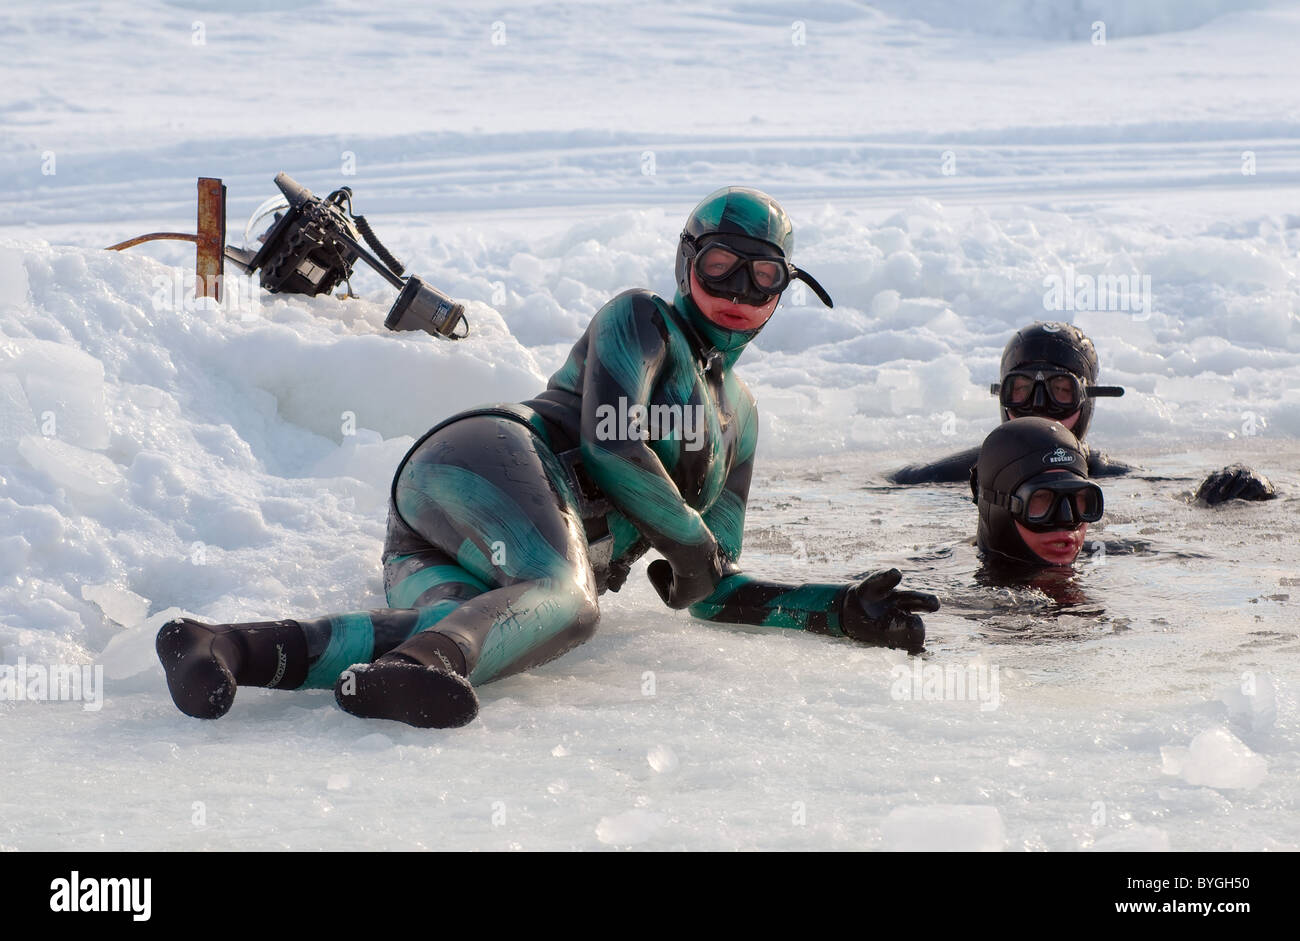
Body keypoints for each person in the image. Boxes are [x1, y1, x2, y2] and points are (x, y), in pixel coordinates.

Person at [156, 187, 940, 730]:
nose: (740, 288)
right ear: (685, 263)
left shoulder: (743, 419)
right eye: (721, 265)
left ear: (783, 292)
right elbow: (609, 439)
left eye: (764, 276)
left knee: (480, 621)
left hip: (436, 533)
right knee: (568, 599)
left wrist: (832, 609)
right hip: (492, 457)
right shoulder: (641, 322)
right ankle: (432, 661)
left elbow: (708, 587)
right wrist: (692, 544)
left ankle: (228, 646)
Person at [888, 321, 1277, 506]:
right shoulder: (937, 477)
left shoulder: (1109, 475)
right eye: (1021, 390)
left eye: (1060, 391)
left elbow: (1184, 493)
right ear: (1001, 394)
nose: (1038, 407)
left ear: (1087, 400)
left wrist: (1244, 481)